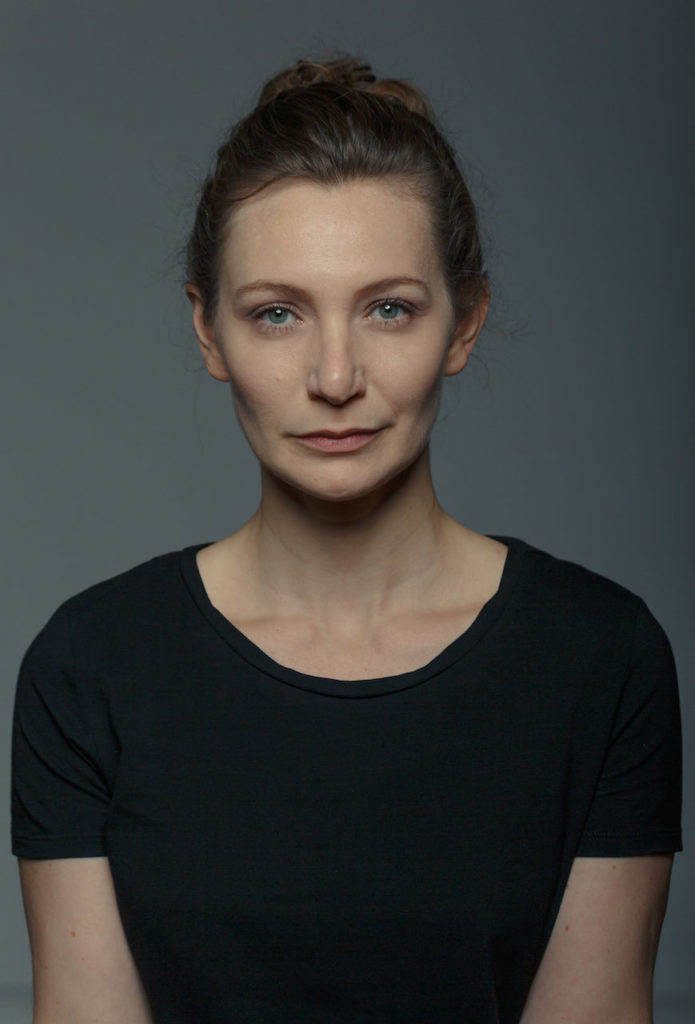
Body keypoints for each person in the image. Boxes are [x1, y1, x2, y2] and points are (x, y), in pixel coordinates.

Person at [11, 55, 682, 1024]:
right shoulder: (93, 666)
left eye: (388, 309)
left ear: (464, 323)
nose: (334, 377)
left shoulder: (599, 658)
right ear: (209, 333)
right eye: (276, 314)